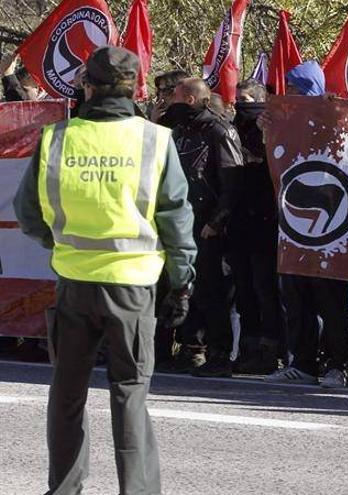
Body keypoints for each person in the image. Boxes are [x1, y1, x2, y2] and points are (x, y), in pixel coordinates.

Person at [13, 46, 196, 495]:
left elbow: (28, 213)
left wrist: (61, 244)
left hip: (74, 284)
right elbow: (175, 215)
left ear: (87, 87)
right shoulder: (155, 139)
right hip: (132, 288)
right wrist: (182, 280)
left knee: (67, 393)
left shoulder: (57, 138)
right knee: (129, 393)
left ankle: (63, 489)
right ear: (133, 88)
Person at [265, 61, 348, 389]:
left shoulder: (337, 122)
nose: (290, 95)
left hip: (332, 223)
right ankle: (302, 361)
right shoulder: (286, 124)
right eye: (288, 89)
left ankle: (339, 363)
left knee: (330, 297)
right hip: (293, 223)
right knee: (295, 293)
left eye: (296, 89)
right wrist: (269, 131)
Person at [157, 77, 244, 377]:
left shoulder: (219, 130)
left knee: (211, 291)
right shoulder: (179, 130)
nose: (170, 102)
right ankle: (190, 350)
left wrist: (216, 221)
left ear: (191, 99)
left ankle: (219, 354)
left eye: (175, 96)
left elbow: (232, 182)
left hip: (206, 224)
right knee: (182, 288)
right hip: (180, 222)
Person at [228, 79, 283, 375]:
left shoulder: (269, 130)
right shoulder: (231, 130)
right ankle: (248, 349)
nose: (240, 105)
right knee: (245, 291)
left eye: (247, 100)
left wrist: (266, 135)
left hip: (263, 223)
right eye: (237, 99)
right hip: (238, 224)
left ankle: (270, 349)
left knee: (265, 290)